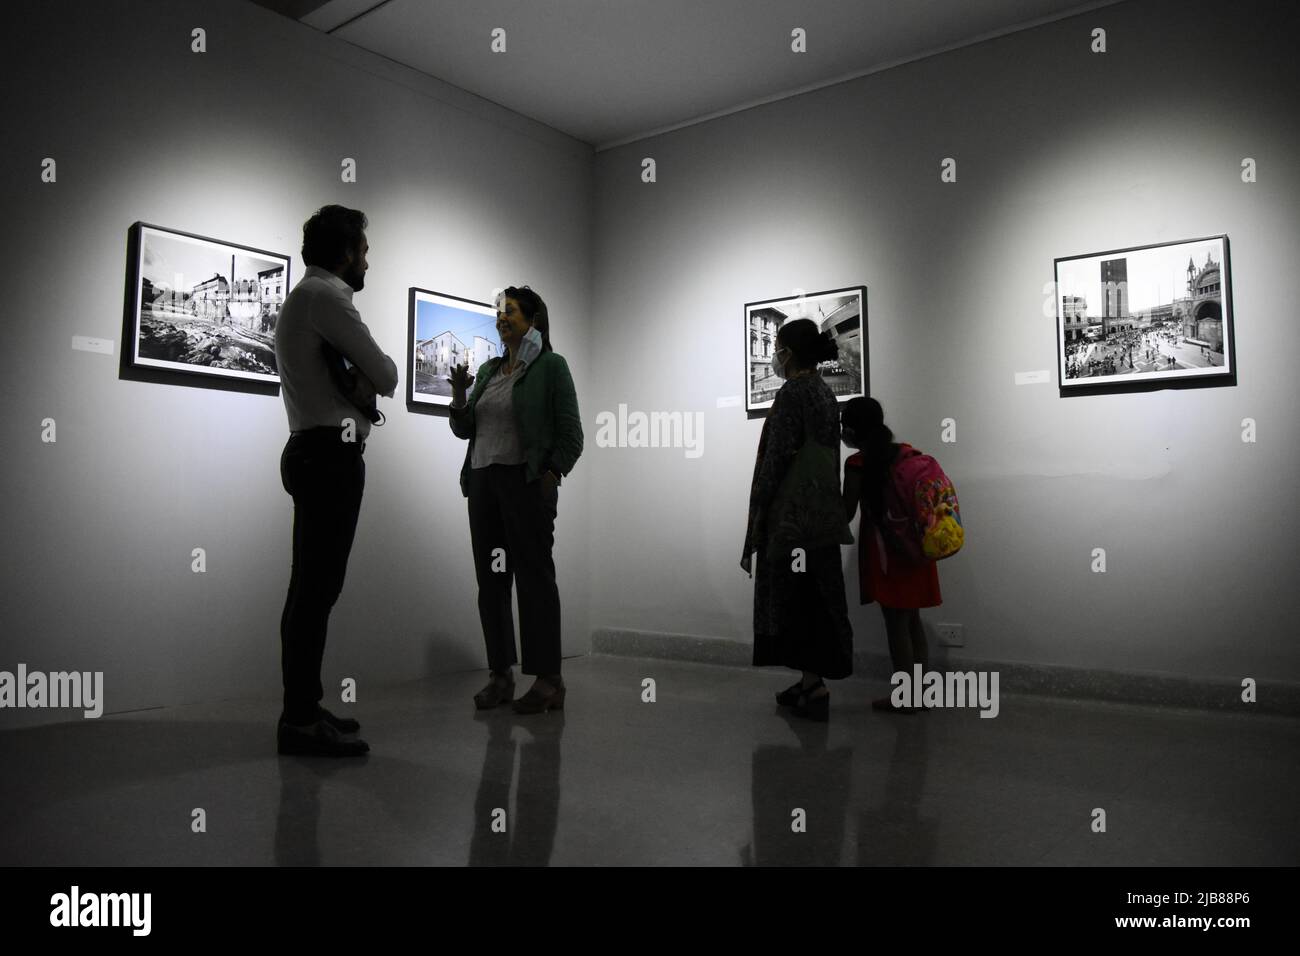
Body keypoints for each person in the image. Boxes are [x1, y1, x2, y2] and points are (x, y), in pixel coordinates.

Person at [274, 205, 397, 756]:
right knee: (315, 592)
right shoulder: (326, 297)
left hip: (314, 451)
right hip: (329, 456)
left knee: (311, 589)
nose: (368, 260)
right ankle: (300, 721)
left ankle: (303, 707)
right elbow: (389, 375)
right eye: (364, 250)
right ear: (345, 252)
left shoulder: (307, 299)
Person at [449, 287, 582, 714]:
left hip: (524, 485)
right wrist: (458, 395)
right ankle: (500, 675)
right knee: (492, 583)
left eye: (510, 312)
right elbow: (464, 429)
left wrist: (551, 472)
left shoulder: (551, 367)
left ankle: (549, 680)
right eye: (498, 312)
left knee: (534, 581)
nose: (501, 318)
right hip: (485, 485)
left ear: (534, 319)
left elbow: (571, 434)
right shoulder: (488, 371)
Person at [741, 320, 854, 722]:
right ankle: (810, 678)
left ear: (788, 352)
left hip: (792, 520)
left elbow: (777, 458)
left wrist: (759, 510)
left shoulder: (793, 395)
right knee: (816, 595)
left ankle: (814, 685)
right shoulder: (823, 393)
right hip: (820, 515)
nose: (775, 354)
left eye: (777, 346)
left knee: (796, 599)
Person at [839, 397, 943, 714]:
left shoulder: (858, 464)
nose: (842, 431)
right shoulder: (905, 455)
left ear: (855, 430)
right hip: (917, 547)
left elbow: (846, 512)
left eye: (844, 425)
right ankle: (922, 693)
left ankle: (905, 697)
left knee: (895, 623)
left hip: (888, 552)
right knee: (912, 620)